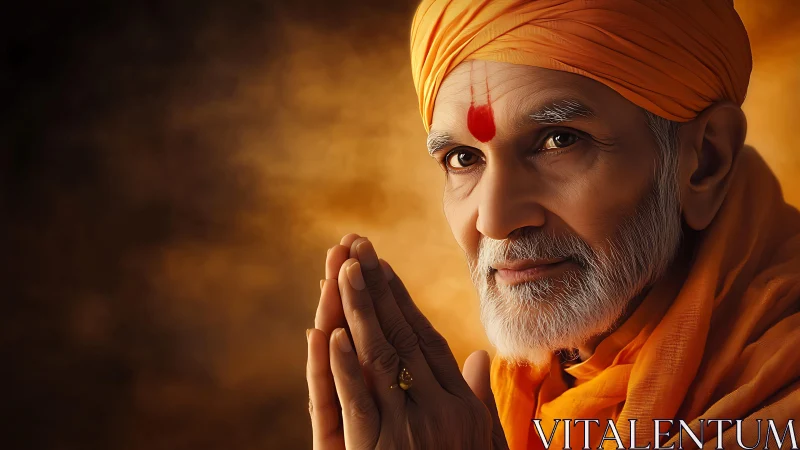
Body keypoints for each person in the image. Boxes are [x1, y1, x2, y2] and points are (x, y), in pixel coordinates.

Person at [306, 1, 800, 449]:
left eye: (559, 140)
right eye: (462, 158)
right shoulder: (512, 401)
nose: (496, 220)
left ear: (704, 162)